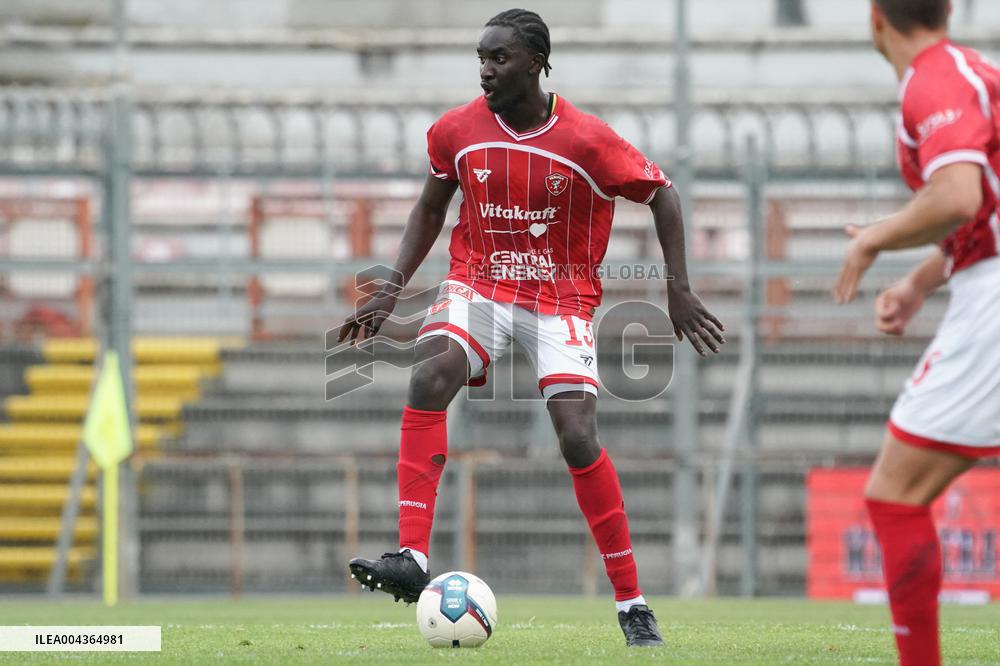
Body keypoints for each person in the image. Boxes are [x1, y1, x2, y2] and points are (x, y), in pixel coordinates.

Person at [338, 7, 724, 648]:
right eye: (482, 58)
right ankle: (412, 556)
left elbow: (663, 194)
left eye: (500, 58)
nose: (486, 70)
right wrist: (391, 291)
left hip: (560, 297)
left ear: (537, 63)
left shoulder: (586, 139)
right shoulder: (456, 131)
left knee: (576, 435)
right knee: (430, 375)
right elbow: (431, 206)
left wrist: (677, 289)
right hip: (479, 282)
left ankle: (633, 603)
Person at [834, 1, 1000, 664]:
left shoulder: (935, 79)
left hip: (992, 302)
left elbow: (958, 194)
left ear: (876, 19)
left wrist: (874, 239)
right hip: (977, 277)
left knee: (895, 496)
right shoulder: (976, 72)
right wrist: (921, 283)